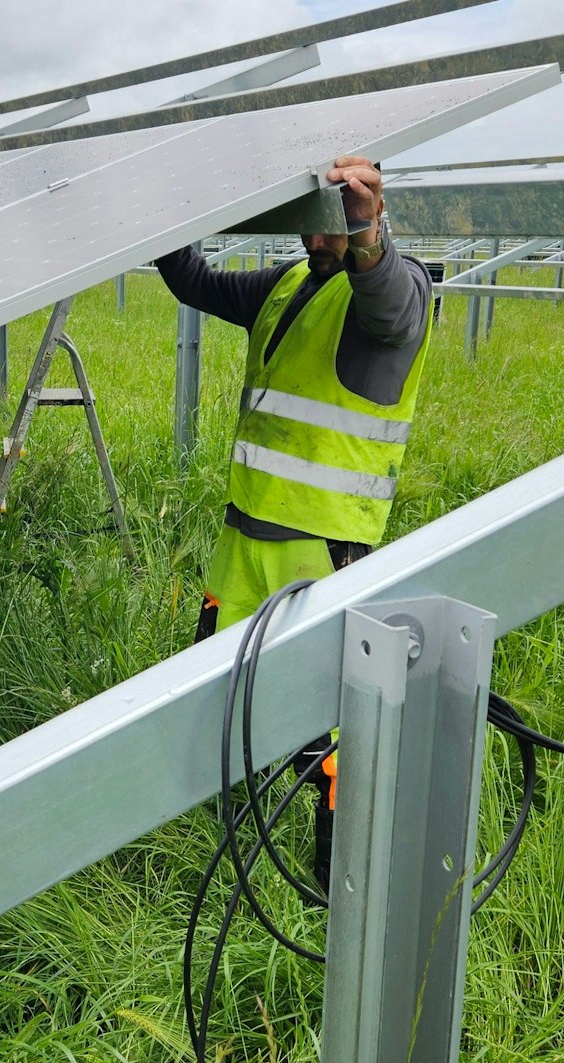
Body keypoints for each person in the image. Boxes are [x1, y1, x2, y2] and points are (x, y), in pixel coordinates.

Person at [154, 156, 433, 889]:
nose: (320, 237)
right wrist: (149, 211)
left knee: (330, 740)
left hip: (319, 556)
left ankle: (334, 888)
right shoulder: (285, 285)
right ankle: (212, 849)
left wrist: (367, 233)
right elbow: (194, 281)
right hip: (241, 543)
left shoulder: (393, 298)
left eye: (334, 223)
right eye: (315, 221)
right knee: (217, 694)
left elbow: (387, 295)